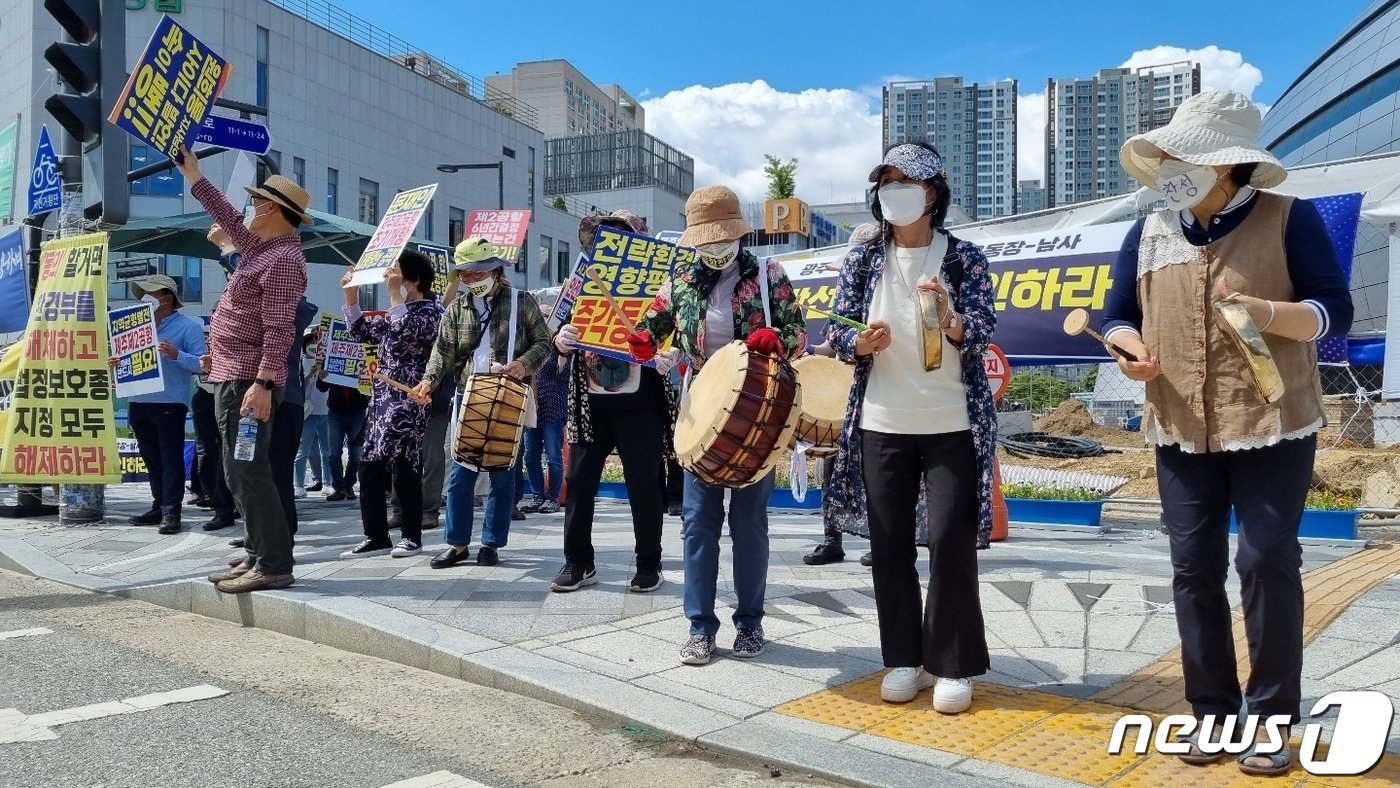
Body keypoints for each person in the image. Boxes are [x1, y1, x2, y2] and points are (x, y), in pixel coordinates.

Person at [1101, 91, 1353, 776]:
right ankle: (1211, 713)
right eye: (1167, 154)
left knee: (1266, 561)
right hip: (1180, 425)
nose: (1168, 165)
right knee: (1193, 568)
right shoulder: (1148, 232)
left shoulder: (1287, 219)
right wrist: (1129, 349)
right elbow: (1117, 314)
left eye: (1184, 154)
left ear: (1227, 164)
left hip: (1272, 420)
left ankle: (1271, 719)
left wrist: (1270, 311)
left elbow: (1334, 312)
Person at [825, 142, 998, 714]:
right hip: (882, 419)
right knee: (889, 543)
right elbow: (838, 326)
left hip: (951, 420)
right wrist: (857, 341)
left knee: (950, 541)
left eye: (907, 181)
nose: (894, 191)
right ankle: (904, 659)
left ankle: (953, 665)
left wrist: (951, 321)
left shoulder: (965, 257)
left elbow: (982, 325)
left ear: (933, 193)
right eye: (886, 182)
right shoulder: (862, 257)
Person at [626, 185, 807, 665]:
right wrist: (643, 340)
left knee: (749, 523)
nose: (712, 249)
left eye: (720, 240)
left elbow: (797, 334)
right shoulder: (680, 278)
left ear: (737, 234)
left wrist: (778, 340)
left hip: (757, 415)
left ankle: (750, 622)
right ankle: (699, 626)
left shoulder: (768, 275)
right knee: (698, 523)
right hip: (702, 410)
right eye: (704, 242)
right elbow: (653, 325)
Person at [176, 145, 308, 594]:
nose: (248, 209)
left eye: (255, 202)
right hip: (231, 375)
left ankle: (273, 562)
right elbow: (227, 217)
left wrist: (264, 383)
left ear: (271, 207)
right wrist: (194, 175)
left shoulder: (285, 259)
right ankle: (256, 554)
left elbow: (279, 330)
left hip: (249, 382)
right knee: (237, 470)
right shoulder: (259, 248)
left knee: (248, 470)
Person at [550, 211, 681, 595]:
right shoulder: (580, 282)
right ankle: (578, 561)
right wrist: (562, 340)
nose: (612, 245)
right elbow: (553, 331)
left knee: (643, 485)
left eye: (621, 238)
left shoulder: (659, 284)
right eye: (606, 238)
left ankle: (648, 564)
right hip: (590, 405)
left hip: (641, 404)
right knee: (578, 483)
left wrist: (669, 354)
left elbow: (679, 329)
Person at [409, 238, 551, 569]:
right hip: (469, 393)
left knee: (502, 473)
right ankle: (457, 544)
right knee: (461, 472)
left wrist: (523, 364)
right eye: (466, 275)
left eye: (477, 273)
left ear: (494, 270)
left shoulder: (522, 301)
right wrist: (428, 381)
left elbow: (544, 342)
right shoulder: (456, 309)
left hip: (508, 395)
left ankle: (491, 543)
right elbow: (441, 352)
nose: (472, 280)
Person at [208, 226, 318, 539]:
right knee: (249, 468)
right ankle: (259, 540)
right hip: (254, 392)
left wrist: (229, 250)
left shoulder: (293, 301)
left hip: (281, 397)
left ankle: (278, 541)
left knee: (273, 471)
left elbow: (287, 312)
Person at [340, 251, 442, 559]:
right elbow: (362, 331)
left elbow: (404, 335)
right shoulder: (398, 311)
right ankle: (375, 536)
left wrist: (395, 295)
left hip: (410, 395)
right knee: (369, 465)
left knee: (405, 465)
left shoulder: (431, 313)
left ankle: (411, 536)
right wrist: (351, 296)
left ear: (415, 280)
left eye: (395, 272)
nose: (388, 277)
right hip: (382, 397)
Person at [116, 274, 207, 535]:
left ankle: (171, 511)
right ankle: (159, 505)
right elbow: (124, 360)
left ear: (166, 298)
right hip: (138, 400)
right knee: (152, 460)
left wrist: (176, 354)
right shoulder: (134, 327)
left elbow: (202, 363)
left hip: (169, 402)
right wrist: (116, 364)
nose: (142, 298)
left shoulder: (187, 327)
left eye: (149, 293)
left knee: (170, 459)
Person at [518, 303, 569, 515]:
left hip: (553, 408)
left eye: (546, 315)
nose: (542, 319)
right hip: (532, 408)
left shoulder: (560, 348)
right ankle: (538, 495)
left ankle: (553, 497)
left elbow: (562, 367)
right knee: (530, 456)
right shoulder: (531, 348)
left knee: (553, 456)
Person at [319, 374, 369, 501]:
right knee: (333, 453)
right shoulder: (331, 358)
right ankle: (338, 487)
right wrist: (321, 377)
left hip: (357, 412)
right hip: (336, 412)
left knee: (356, 454)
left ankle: (348, 485)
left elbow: (371, 387)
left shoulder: (363, 358)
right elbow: (322, 387)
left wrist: (367, 378)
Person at [295, 329, 330, 498]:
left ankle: (327, 483)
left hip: (326, 411)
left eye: (316, 343)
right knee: (304, 451)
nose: (313, 346)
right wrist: (310, 373)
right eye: (310, 343)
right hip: (308, 413)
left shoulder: (327, 362)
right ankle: (299, 485)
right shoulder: (300, 363)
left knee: (327, 451)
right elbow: (298, 385)